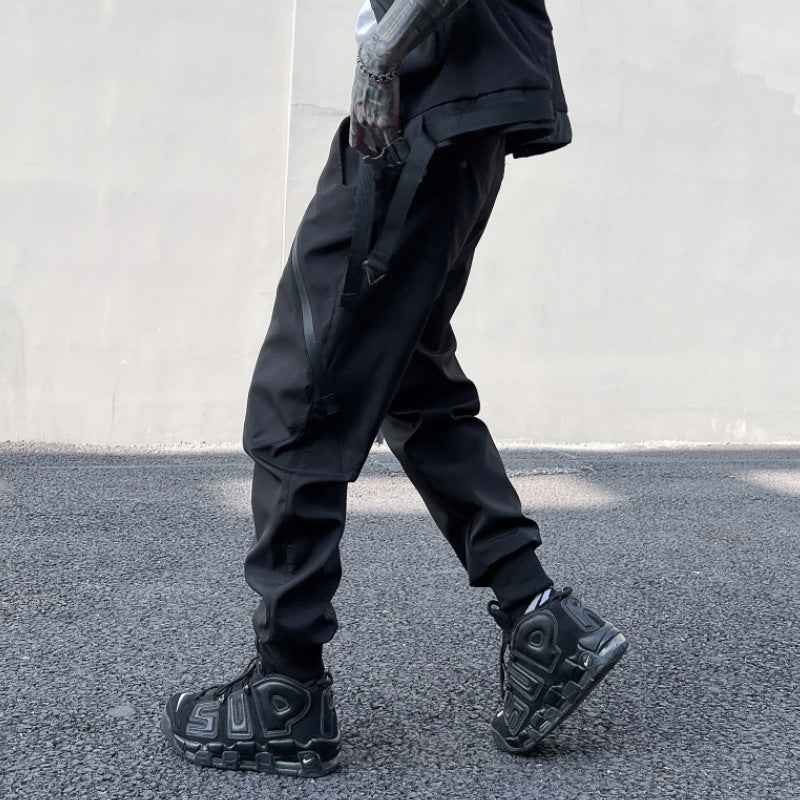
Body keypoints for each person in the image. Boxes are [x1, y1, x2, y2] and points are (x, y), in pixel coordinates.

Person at [160, 0, 628, 777]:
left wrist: (383, 51)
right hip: (456, 99)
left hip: (424, 95)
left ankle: (286, 691)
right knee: (407, 373)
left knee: (304, 383)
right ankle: (540, 618)